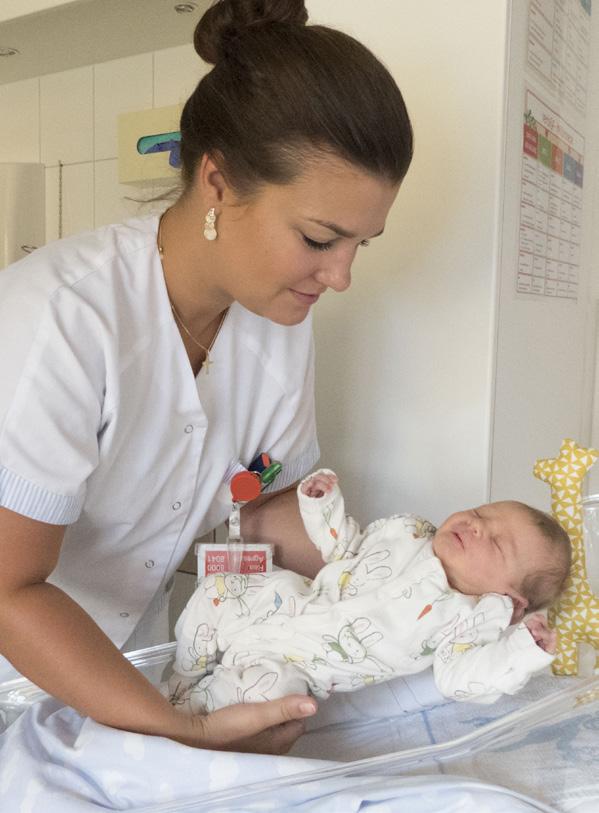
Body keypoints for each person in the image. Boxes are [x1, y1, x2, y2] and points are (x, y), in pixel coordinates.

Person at [0, 1, 413, 752]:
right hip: (20, 669)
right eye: (320, 238)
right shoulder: (62, 316)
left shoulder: (276, 320)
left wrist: (406, 569)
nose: (342, 274)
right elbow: (8, 590)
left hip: (135, 668)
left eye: (361, 242)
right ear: (218, 182)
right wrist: (184, 728)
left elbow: (253, 512)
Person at [167, 469, 571, 713]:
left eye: (497, 544)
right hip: (286, 603)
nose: (477, 525)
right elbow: (345, 549)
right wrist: (322, 506)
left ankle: (189, 710)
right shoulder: (410, 532)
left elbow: (460, 680)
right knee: (221, 588)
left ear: (511, 603)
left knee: (271, 699)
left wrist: (520, 652)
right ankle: (182, 675)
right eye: (482, 512)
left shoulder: (468, 620)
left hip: (298, 668)